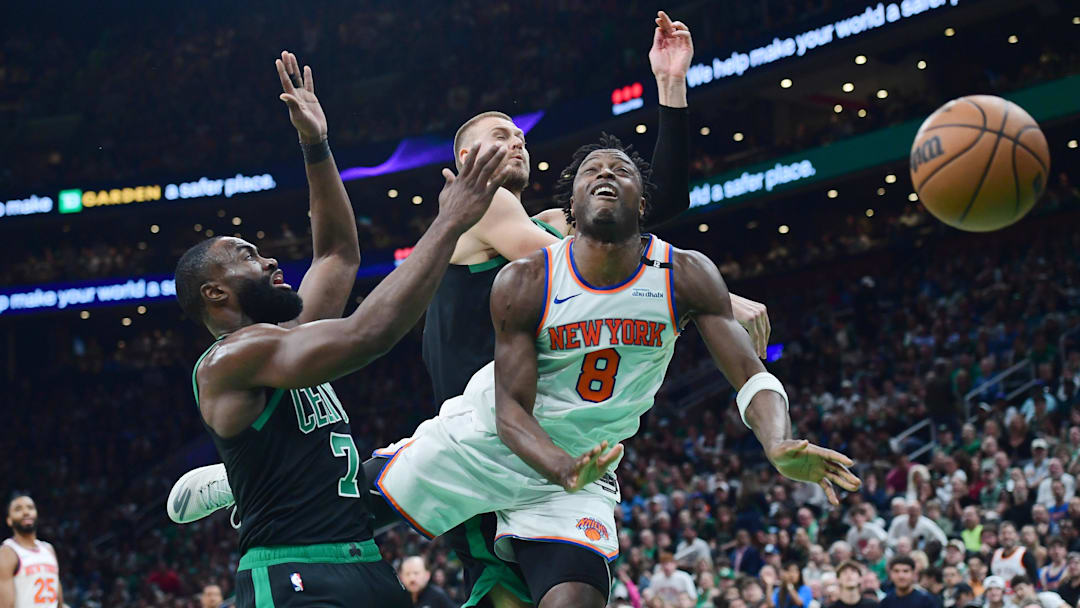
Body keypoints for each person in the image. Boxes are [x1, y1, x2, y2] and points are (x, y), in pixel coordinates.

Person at [168, 14, 772, 608]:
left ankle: (244, 485)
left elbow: (648, 212)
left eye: (522, 137)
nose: (516, 142)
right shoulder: (492, 211)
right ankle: (244, 484)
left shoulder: (558, 226)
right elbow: (606, 274)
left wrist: (671, 88)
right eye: (498, 135)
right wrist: (706, 295)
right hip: (480, 434)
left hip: (541, 436)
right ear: (461, 160)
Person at [371, 121, 859, 608]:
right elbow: (510, 410)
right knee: (329, 512)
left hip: (576, 470)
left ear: (641, 201)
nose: (605, 175)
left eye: (620, 170)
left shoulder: (682, 273)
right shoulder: (525, 272)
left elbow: (753, 375)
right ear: (571, 209)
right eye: (591, 171)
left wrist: (776, 442)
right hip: (483, 441)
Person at [169, 50, 511, 607]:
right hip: (292, 571)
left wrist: (316, 146)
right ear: (215, 293)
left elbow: (337, 253)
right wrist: (450, 222)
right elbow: (364, 336)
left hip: (366, 561)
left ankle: (233, 484)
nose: (271, 260)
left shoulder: (289, 337)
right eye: (249, 255)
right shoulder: (230, 361)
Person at [0, 495, 62, 608]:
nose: (26, 512)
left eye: (30, 507)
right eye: (18, 509)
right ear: (9, 520)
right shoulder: (7, 552)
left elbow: (58, 600)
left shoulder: (48, 549)